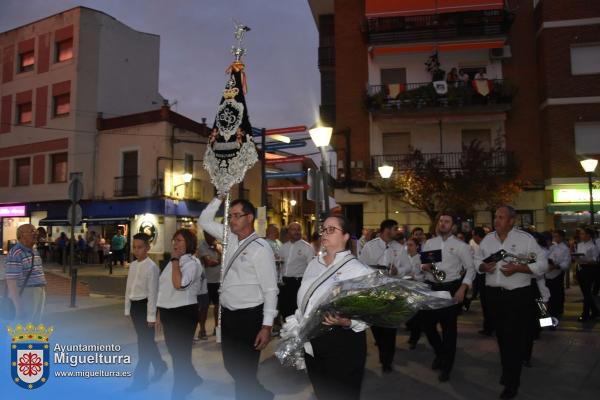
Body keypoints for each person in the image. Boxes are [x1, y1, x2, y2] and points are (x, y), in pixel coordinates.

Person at [200, 197, 278, 400]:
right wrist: (219, 197)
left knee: (245, 369)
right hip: (228, 315)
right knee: (231, 365)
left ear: (249, 217)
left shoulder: (261, 249)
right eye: (230, 216)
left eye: (236, 216)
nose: (231, 220)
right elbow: (204, 221)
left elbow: (270, 290)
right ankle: (259, 393)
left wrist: (267, 326)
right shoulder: (229, 237)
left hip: (250, 317)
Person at [288, 215, 372, 400]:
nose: (325, 233)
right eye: (323, 229)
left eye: (331, 229)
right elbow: (306, 300)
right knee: (322, 392)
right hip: (313, 338)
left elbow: (370, 312)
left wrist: (347, 321)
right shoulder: (313, 264)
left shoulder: (358, 269)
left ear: (346, 236)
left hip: (343, 341)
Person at [475, 206, 548, 399]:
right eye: (495, 217)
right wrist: (483, 266)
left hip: (517, 296)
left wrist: (519, 268)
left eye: (501, 217)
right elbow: (476, 260)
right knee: (501, 338)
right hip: (494, 296)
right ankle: (508, 373)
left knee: (513, 340)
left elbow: (542, 265)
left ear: (511, 221)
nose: (496, 221)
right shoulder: (488, 239)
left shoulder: (525, 240)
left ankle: (512, 382)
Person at [420, 213, 475, 382]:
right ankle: (441, 353)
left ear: (453, 226)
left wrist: (462, 289)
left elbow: (471, 269)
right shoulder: (430, 243)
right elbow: (424, 265)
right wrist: (426, 267)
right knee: (428, 325)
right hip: (433, 288)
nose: (443, 224)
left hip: (451, 289)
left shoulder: (460, 246)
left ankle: (447, 366)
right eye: (441, 221)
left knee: (449, 329)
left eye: (447, 222)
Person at [359, 219, 411, 373]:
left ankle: (387, 360)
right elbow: (361, 266)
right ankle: (382, 349)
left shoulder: (399, 248)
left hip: (392, 292)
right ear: (387, 230)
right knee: (377, 327)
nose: (398, 231)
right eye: (395, 229)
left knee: (390, 328)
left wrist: (398, 271)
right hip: (374, 292)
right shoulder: (370, 246)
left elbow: (407, 266)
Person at [156, 229, 204, 398]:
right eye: (174, 240)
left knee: (180, 354)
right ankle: (193, 378)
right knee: (176, 352)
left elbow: (179, 284)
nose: (175, 244)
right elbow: (164, 289)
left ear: (188, 243)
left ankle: (180, 390)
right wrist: (159, 314)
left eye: (179, 240)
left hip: (183, 312)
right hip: (169, 312)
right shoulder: (173, 261)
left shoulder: (192, 263)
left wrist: (176, 260)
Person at [124, 233, 167, 391]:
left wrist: (151, 317)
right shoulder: (134, 265)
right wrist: (127, 309)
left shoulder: (152, 267)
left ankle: (140, 380)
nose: (136, 250)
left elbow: (153, 294)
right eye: (134, 247)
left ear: (148, 248)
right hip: (135, 309)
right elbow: (129, 288)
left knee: (144, 345)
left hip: (145, 308)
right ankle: (160, 365)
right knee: (147, 342)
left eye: (140, 247)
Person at [5, 224, 47, 323]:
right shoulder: (16, 253)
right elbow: (11, 282)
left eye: (36, 231)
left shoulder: (33, 250)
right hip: (26, 294)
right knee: (24, 327)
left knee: (35, 325)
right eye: (32, 231)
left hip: (37, 292)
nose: (36, 234)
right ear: (21, 236)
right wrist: (18, 306)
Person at [278, 222, 314, 320]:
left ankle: (295, 332)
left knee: (295, 309)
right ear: (288, 232)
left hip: (297, 282)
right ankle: (286, 330)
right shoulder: (283, 247)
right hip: (284, 283)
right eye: (293, 230)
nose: (296, 232)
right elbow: (279, 264)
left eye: (298, 230)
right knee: (283, 308)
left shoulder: (307, 247)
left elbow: (311, 268)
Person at [198, 231, 222, 336]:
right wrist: (220, 260)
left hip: (218, 281)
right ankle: (202, 330)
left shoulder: (218, 245)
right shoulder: (202, 245)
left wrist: (218, 250)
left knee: (218, 306)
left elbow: (225, 258)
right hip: (206, 282)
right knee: (204, 307)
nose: (213, 236)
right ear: (205, 234)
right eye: (210, 234)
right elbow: (208, 263)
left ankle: (217, 328)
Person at [573, 227, 599, 321]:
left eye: (583, 234)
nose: (581, 235)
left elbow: (596, 260)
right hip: (580, 268)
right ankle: (595, 311)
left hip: (589, 270)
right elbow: (577, 256)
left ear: (588, 235)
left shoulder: (593, 246)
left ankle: (585, 314)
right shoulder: (579, 245)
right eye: (580, 234)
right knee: (585, 292)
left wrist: (586, 260)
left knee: (587, 292)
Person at [545, 230, 570, 319]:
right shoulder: (551, 247)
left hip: (556, 275)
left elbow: (566, 264)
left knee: (555, 297)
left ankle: (553, 319)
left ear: (562, 237)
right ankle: (550, 318)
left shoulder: (565, 249)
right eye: (553, 236)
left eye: (556, 236)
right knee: (549, 298)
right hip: (547, 275)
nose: (554, 238)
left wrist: (556, 266)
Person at [405, 237, 424, 349]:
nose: (408, 247)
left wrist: (415, 277)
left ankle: (414, 338)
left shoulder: (421, 258)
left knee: (416, 316)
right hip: (405, 289)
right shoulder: (404, 258)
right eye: (407, 245)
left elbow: (425, 275)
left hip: (417, 289)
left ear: (417, 246)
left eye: (411, 245)